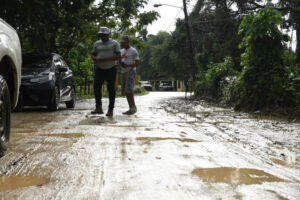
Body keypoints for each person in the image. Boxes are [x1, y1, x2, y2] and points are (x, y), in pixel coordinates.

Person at [91, 27, 121, 116]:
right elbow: (93, 54)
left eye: (105, 35)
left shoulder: (114, 43)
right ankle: (98, 107)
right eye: (101, 35)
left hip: (111, 68)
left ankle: (110, 110)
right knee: (96, 87)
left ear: (108, 34)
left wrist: (107, 59)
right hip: (99, 68)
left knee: (111, 89)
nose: (103, 36)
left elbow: (118, 55)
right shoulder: (97, 43)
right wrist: (95, 59)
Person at [120, 36, 140, 115]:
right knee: (126, 91)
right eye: (121, 43)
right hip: (123, 72)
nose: (122, 44)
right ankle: (131, 108)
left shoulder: (133, 51)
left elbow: (137, 63)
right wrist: (120, 64)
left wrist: (128, 65)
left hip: (131, 71)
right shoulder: (121, 51)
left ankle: (133, 107)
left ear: (128, 42)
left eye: (123, 42)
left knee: (129, 89)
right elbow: (119, 61)